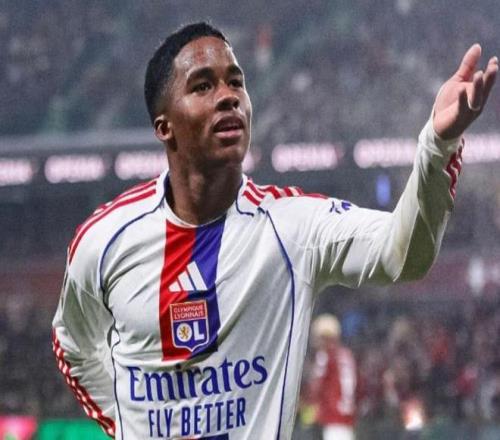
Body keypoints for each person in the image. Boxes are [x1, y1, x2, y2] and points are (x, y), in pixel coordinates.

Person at [52, 21, 498, 440]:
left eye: (236, 82)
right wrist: (124, 422)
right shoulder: (104, 241)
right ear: (164, 127)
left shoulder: (293, 227)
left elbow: (404, 254)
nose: (228, 97)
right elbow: (72, 345)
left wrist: (437, 146)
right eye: (203, 85)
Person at [305, 314, 358, 440]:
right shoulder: (346, 354)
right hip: (347, 416)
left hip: (332, 416)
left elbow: (316, 387)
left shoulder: (325, 355)